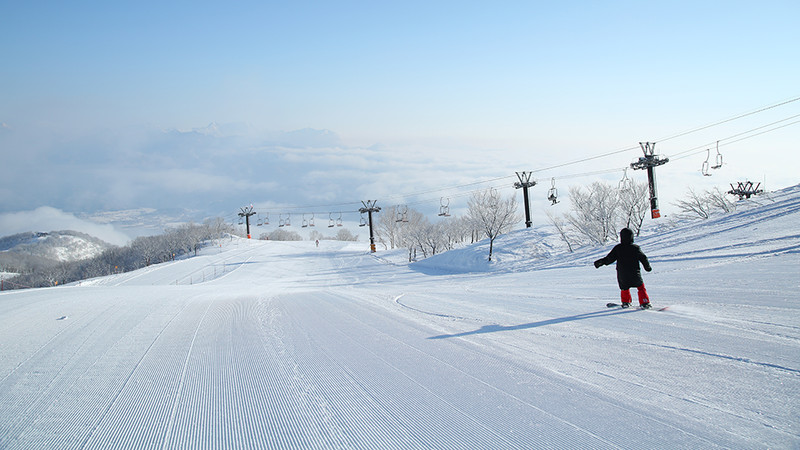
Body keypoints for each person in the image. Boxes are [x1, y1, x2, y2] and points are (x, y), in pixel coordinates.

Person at [594, 227, 652, 309]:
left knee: (624, 288)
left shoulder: (618, 248)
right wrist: (647, 267)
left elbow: (609, 258)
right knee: (640, 287)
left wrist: (601, 262)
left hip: (622, 273)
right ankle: (644, 302)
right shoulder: (635, 248)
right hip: (634, 272)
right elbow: (643, 258)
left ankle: (626, 302)